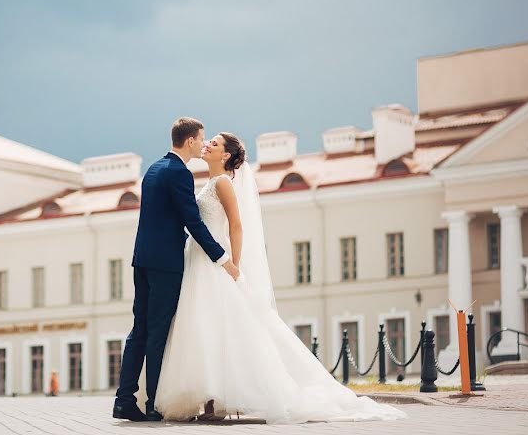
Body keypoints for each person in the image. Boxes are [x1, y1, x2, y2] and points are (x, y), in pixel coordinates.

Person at [155, 134, 405, 424]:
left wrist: (234, 265)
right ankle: (210, 401)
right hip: (199, 261)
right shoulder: (210, 183)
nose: (207, 145)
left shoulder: (222, 183)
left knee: (219, 328)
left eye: (214, 143)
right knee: (206, 328)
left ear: (225, 157)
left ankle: (217, 402)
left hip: (215, 265)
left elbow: (236, 225)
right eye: (208, 141)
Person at [113, 118, 240, 423]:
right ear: (190, 141)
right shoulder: (180, 174)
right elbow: (192, 222)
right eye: (201, 139)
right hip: (166, 265)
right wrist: (223, 259)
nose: (203, 143)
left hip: (141, 259)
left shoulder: (154, 169)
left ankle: (124, 399)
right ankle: (155, 403)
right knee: (158, 332)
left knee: (139, 330)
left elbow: (161, 219)